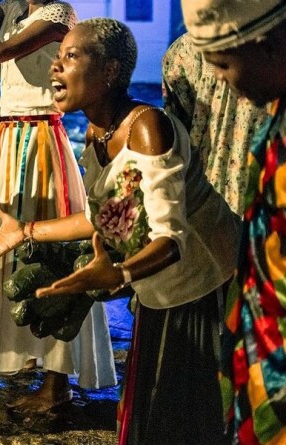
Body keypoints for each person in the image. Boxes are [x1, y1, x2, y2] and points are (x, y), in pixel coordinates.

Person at [0, 17, 239, 444]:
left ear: (110, 71)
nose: (56, 67)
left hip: (202, 290)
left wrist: (118, 276)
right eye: (57, 58)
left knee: (181, 422)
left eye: (71, 57)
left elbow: (170, 241)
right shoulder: (98, 133)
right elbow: (105, 216)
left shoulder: (147, 128)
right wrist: (24, 231)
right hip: (162, 292)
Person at [0, 0, 116, 412]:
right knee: (11, 258)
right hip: (10, 139)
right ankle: (31, 355)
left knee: (49, 256)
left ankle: (58, 381)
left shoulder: (57, 15)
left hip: (40, 142)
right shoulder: (12, 11)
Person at [180, 1, 286, 443]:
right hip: (262, 339)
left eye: (223, 64)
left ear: (265, 45)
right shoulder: (274, 113)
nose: (219, 79)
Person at [162, 33, 268, 216]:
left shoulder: (183, 51)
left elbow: (176, 137)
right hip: (260, 201)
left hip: (203, 202)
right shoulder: (273, 46)